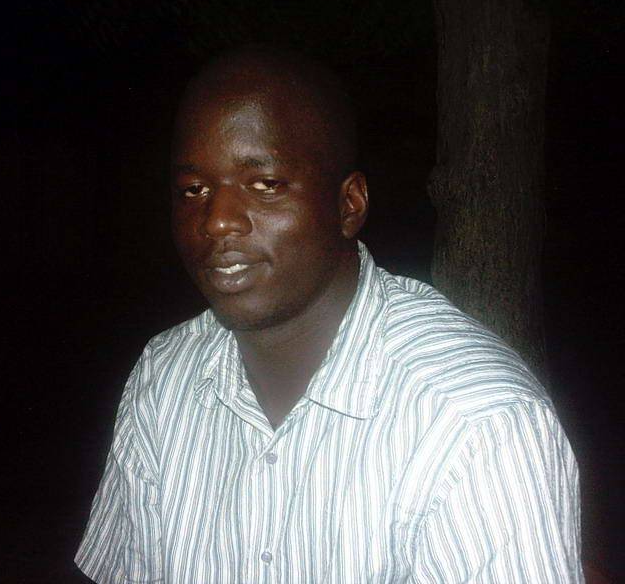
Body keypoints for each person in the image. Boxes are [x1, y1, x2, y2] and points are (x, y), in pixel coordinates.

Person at [75, 47, 582, 583]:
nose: (216, 221)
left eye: (265, 184)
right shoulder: (165, 377)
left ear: (349, 205)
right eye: (193, 190)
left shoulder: (474, 419)